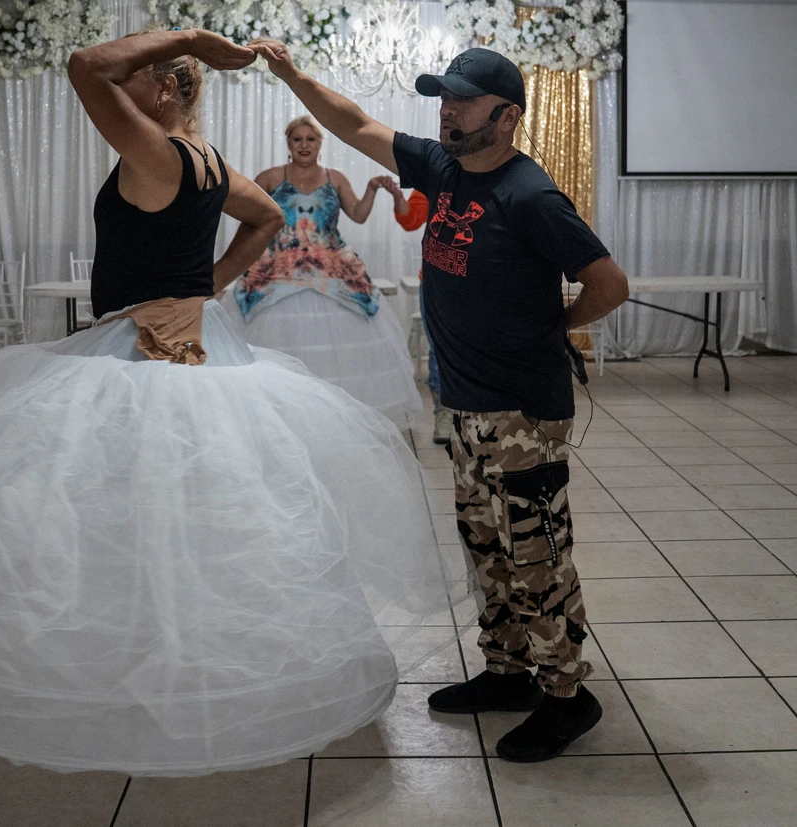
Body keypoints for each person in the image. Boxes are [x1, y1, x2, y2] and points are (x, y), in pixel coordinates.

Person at [0, 29, 472, 776]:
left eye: (145, 80)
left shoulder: (157, 152)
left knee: (116, 496)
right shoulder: (213, 164)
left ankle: (130, 654)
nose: (127, 90)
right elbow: (270, 222)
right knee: (191, 502)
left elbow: (85, 65)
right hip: (201, 342)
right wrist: (206, 288)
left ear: (163, 92)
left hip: (135, 353)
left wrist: (192, 40)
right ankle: (181, 640)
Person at [251, 41, 630, 762]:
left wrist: (550, 329)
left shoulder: (530, 195)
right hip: (459, 404)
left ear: (507, 115)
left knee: (535, 554)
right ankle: (509, 669)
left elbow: (609, 283)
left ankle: (566, 694)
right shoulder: (442, 164)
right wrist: (294, 75)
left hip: (521, 411)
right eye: (443, 98)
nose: (446, 110)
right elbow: (357, 123)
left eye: (461, 99)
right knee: (485, 545)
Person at [217, 115, 421, 422]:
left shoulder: (334, 178)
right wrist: (230, 266)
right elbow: (250, 224)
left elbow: (358, 215)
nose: (304, 145)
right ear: (288, 143)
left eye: (310, 139)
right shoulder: (269, 178)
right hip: (277, 269)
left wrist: (371, 189)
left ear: (320, 144)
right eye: (297, 139)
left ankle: (333, 417)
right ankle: (280, 412)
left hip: (333, 270)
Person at [387, 183, 453, 444]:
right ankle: (444, 412)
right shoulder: (436, 177)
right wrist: (396, 196)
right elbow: (411, 219)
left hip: (482, 277)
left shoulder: (493, 175)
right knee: (439, 346)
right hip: (438, 278)